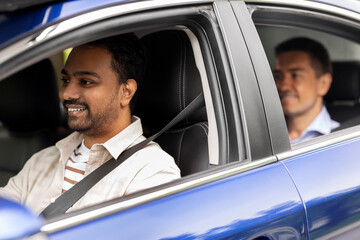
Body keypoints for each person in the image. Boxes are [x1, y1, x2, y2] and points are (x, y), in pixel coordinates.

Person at [0, 33, 180, 214]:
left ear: (126, 92)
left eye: (86, 82)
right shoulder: (42, 160)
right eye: (65, 80)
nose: (67, 94)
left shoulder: (152, 171)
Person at [274, 37, 340, 144]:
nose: (283, 86)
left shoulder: (346, 140)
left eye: (295, 75)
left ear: (323, 84)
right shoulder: (262, 139)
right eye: (278, 76)